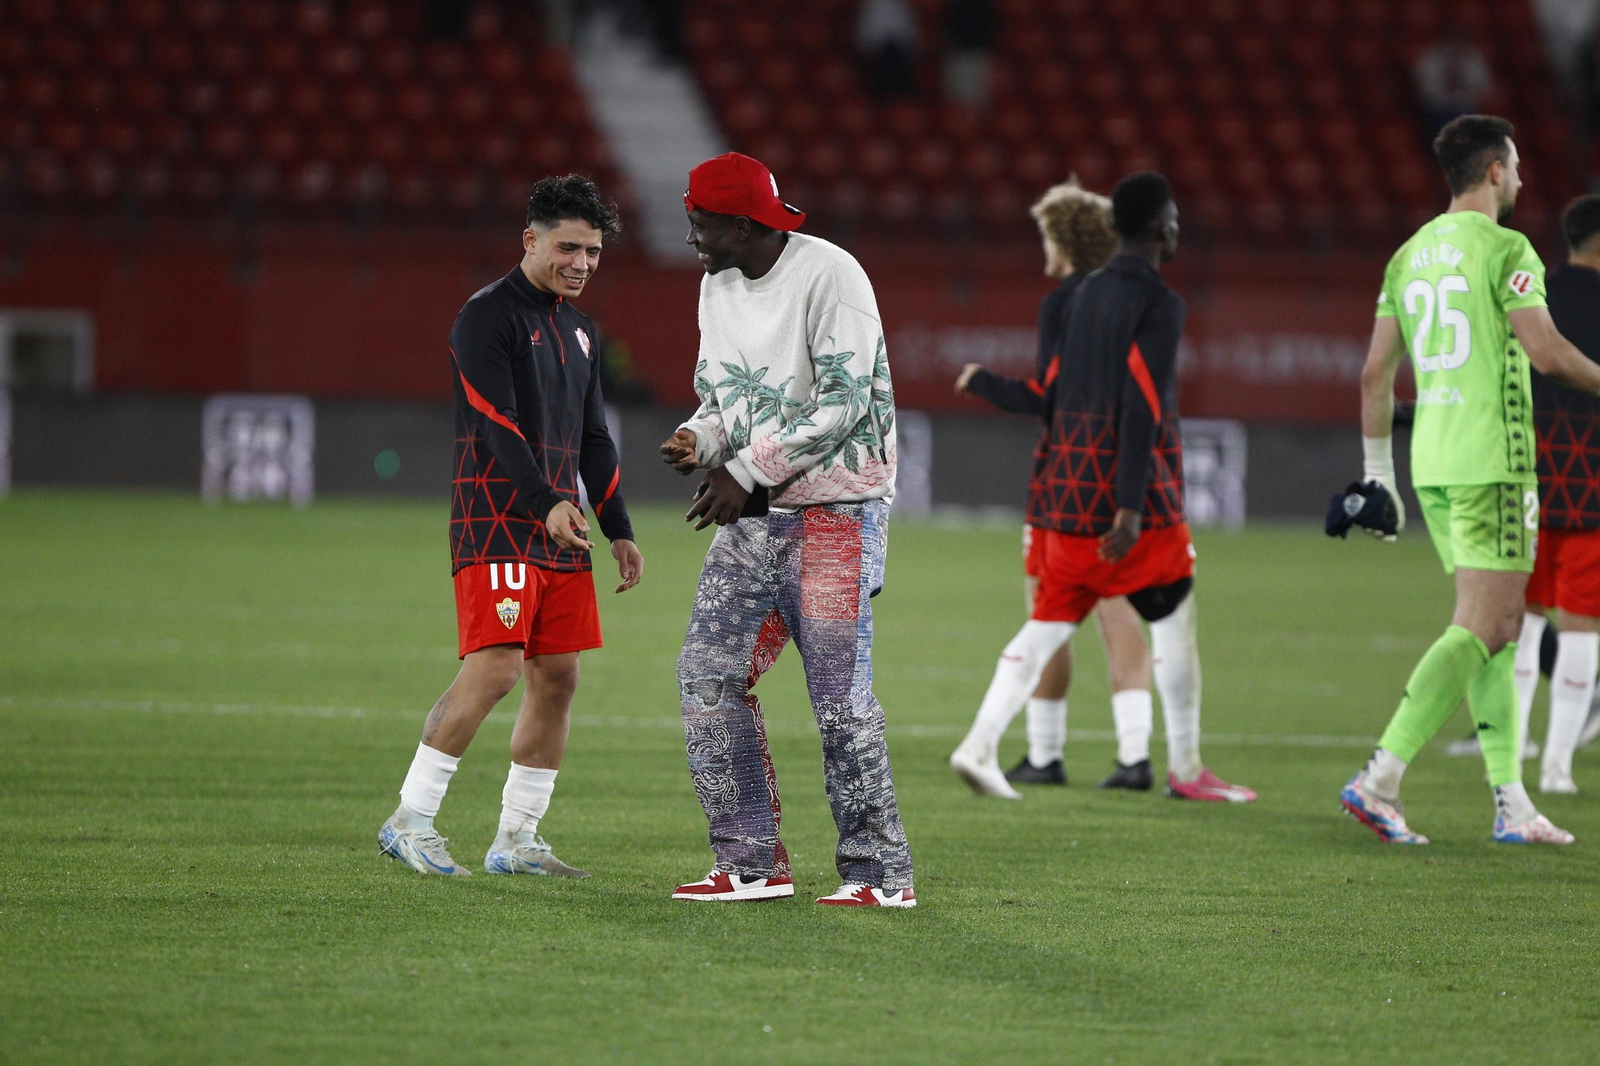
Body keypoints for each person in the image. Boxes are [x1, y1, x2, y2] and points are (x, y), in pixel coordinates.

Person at [952, 172, 1255, 805]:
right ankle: (1185, 767)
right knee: (1172, 625)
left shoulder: (1078, 297)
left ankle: (979, 746)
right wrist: (1128, 502)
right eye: (1172, 219)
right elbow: (1142, 404)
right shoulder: (1161, 303)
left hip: (1062, 499)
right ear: (1162, 227)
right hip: (1131, 499)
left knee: (1043, 627)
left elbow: (1053, 394)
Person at [662, 152, 915, 908]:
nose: (692, 239)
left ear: (742, 225)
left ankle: (880, 875)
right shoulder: (716, 285)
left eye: (701, 224)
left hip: (837, 513)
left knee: (839, 701)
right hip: (755, 516)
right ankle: (750, 862)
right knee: (707, 676)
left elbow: (846, 400)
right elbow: (722, 400)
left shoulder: (834, 276)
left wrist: (747, 470)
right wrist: (699, 441)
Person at [1339, 115, 1600, 846]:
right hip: (1494, 459)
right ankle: (1380, 776)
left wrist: (1376, 477)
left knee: (1502, 628)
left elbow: (1373, 375)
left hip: (1434, 463)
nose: (1518, 180)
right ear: (1494, 171)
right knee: (1483, 625)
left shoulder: (1409, 254)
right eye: (1513, 167)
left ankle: (1512, 803)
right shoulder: (1507, 247)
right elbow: (1546, 353)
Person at [378, 175, 643, 877]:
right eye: (568, 247)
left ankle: (517, 839)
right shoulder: (485, 317)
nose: (582, 263)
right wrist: (545, 501)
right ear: (530, 240)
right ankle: (411, 818)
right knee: (495, 670)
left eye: (592, 251)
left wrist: (617, 524)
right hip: (497, 519)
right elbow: (496, 424)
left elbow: (594, 438)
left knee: (557, 676)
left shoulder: (582, 331)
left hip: (561, 528)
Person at [948, 179, 1159, 795]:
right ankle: (1125, 754)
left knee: (1053, 611)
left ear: (1065, 239)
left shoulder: (1068, 303)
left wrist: (983, 381)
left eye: (1047, 233)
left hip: (1069, 485)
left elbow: (1049, 396)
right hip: (1114, 477)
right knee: (1105, 616)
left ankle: (1048, 753)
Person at [1514, 194, 1600, 794]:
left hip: (1528, 476)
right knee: (1581, 626)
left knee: (1519, 622)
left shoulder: (1532, 292)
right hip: (1594, 482)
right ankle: (1557, 768)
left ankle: (1511, 750)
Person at [856, 0, 920, 99]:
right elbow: (863, 39)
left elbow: (912, 38)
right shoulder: (871, 5)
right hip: (877, 57)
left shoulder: (903, 4)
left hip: (901, 56)